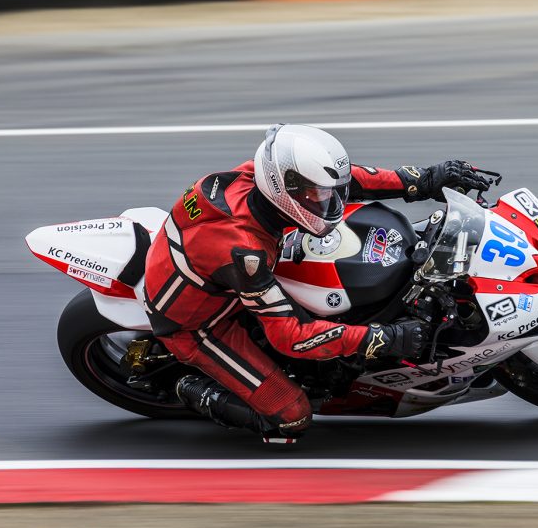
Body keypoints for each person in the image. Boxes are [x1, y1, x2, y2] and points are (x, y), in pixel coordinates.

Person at [143, 124, 490, 442]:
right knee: (291, 418)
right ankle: (187, 387)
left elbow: (349, 179)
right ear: (284, 190)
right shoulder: (244, 252)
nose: (331, 202)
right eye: (318, 196)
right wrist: (381, 337)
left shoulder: (257, 176)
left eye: (328, 194)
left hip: (213, 267)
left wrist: (423, 180)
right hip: (199, 323)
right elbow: (289, 336)